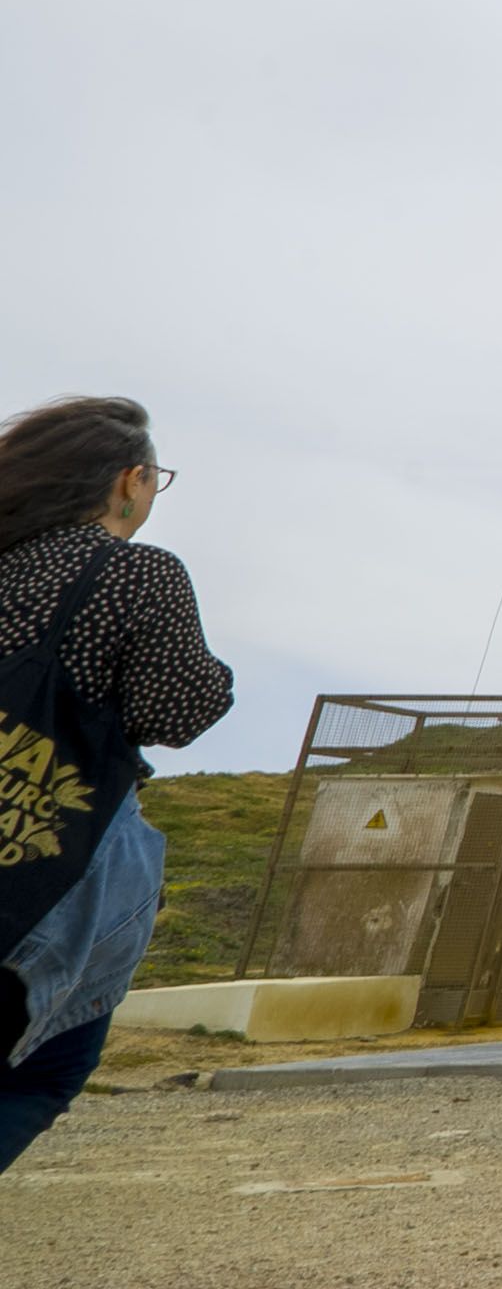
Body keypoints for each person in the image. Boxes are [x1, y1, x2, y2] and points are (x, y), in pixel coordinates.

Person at [0, 397, 233, 1174]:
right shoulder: (134, 573)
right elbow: (175, 709)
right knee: (43, 1071)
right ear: (131, 482)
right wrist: (219, 680)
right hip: (39, 863)